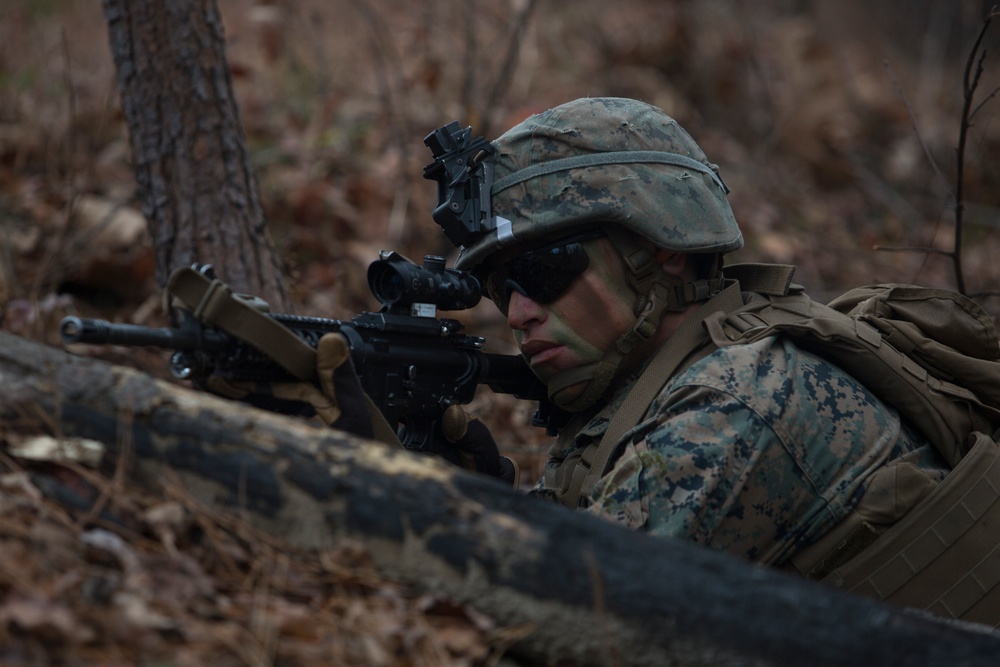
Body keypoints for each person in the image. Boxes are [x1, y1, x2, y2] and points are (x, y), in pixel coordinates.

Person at [448, 96, 953, 568]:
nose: (517, 314)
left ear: (664, 249)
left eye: (542, 272)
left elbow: (557, 611)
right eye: (500, 287)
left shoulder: (735, 406)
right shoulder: (638, 394)